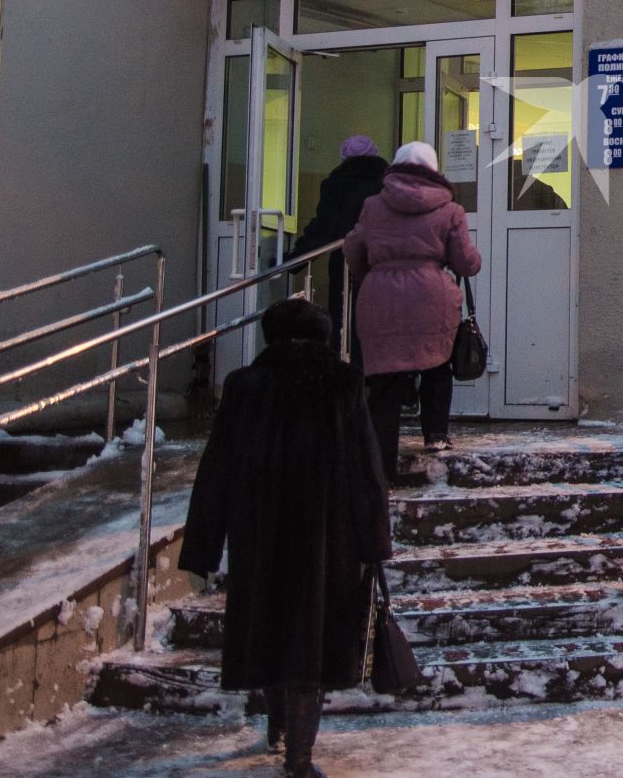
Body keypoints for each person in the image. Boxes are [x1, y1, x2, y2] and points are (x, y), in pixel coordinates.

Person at [180, 298, 392, 778]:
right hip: (327, 538)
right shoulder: (342, 385)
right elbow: (367, 470)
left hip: (259, 535)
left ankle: (278, 724)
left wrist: (202, 549)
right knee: (311, 642)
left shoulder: (245, 387)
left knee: (269, 630)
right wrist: (374, 543)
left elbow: (217, 469)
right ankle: (299, 757)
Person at [345, 141, 481, 481]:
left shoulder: (373, 205)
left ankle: (382, 462)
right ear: (434, 169)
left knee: (385, 379)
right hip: (431, 294)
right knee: (436, 364)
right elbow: (465, 261)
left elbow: (355, 248)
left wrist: (371, 277)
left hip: (380, 295)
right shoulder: (450, 209)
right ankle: (435, 434)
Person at [291, 135, 390, 368]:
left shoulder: (335, 183)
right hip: (381, 262)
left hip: (345, 263)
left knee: (345, 319)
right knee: (381, 320)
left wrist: (296, 259)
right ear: (374, 153)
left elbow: (323, 226)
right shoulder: (387, 184)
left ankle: (348, 372)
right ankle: (381, 378)